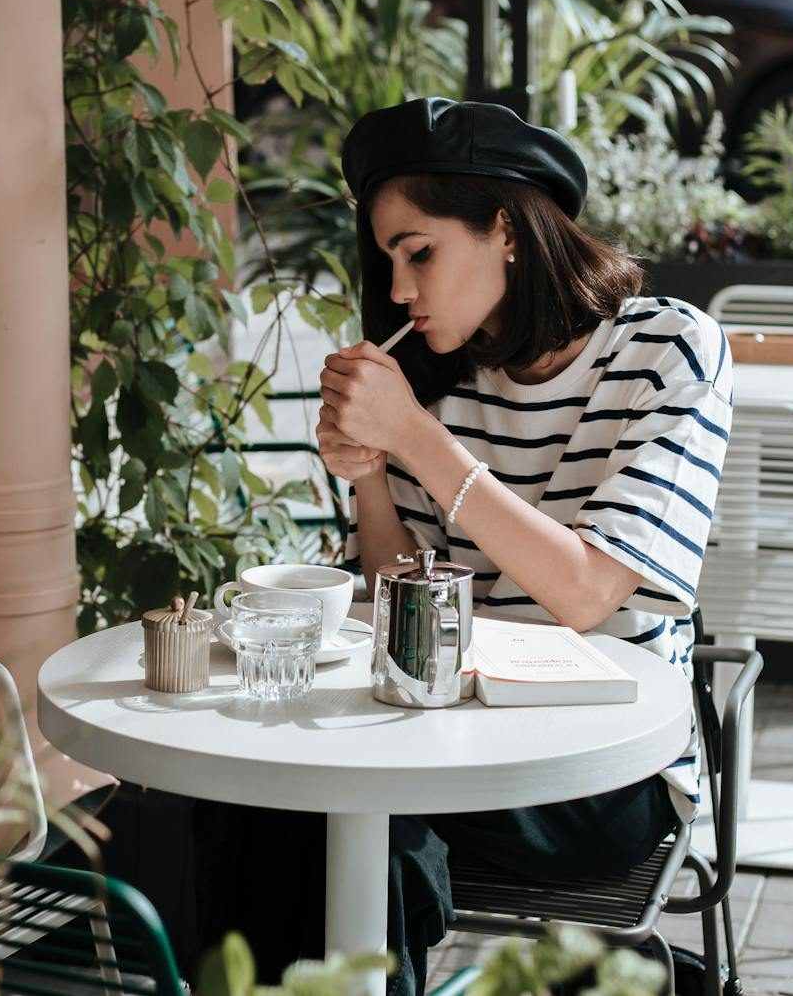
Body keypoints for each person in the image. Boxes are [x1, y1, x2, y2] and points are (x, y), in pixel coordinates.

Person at [314, 97, 732, 996]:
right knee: (274, 810)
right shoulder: (440, 379)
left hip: (603, 767)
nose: (397, 293)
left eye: (418, 252)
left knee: (351, 821)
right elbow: (404, 607)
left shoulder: (668, 350)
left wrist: (419, 441)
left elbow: (587, 596)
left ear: (505, 229)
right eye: (386, 262)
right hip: (438, 744)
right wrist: (368, 474)